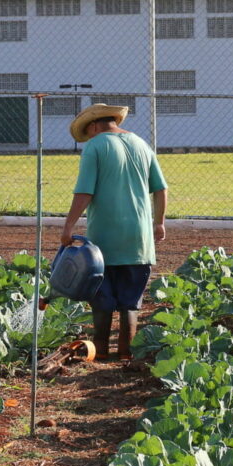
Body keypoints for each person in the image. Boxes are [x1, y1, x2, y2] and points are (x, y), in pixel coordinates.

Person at [60, 103, 168, 360]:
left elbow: (85, 191)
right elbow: (161, 189)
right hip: (139, 238)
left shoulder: (95, 146)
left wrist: (68, 226)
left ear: (94, 126)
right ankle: (126, 354)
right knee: (130, 299)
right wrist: (159, 222)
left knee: (102, 294)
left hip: (104, 239)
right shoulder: (142, 144)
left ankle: (100, 353)